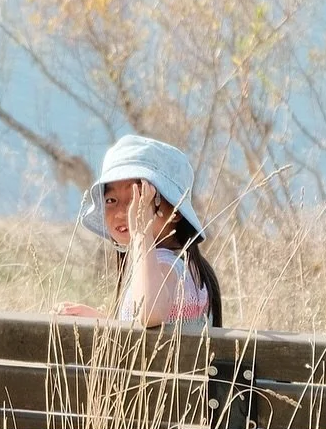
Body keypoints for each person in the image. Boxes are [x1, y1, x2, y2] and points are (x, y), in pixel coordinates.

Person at [58, 135, 221, 328]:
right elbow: (150, 334)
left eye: (138, 198)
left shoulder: (166, 265)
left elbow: (149, 313)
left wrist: (141, 233)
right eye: (111, 200)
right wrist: (105, 322)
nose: (121, 212)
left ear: (175, 212)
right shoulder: (179, 265)